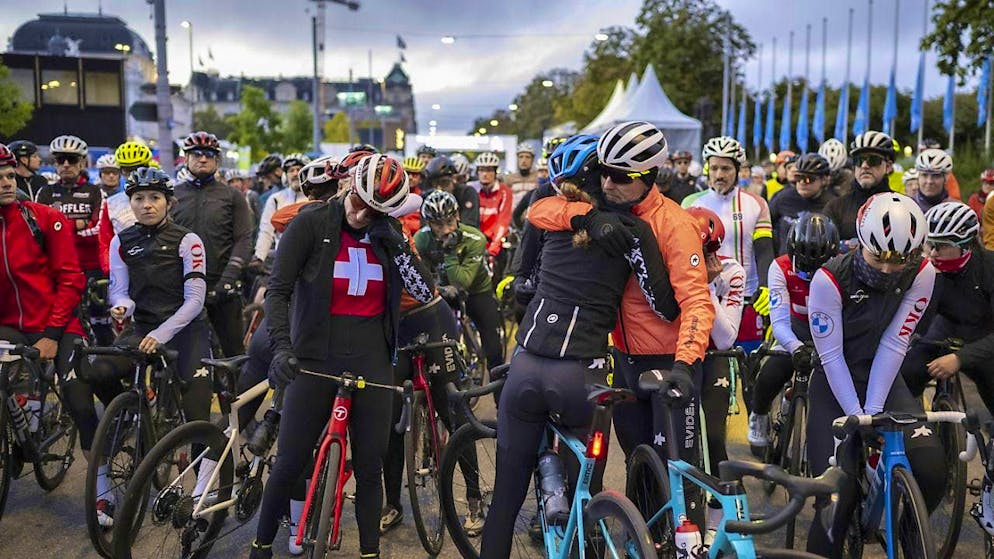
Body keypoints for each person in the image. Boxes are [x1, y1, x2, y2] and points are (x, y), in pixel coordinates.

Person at [481, 125, 682, 559]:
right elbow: (664, 305)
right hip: (583, 376)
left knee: (504, 500)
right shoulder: (632, 230)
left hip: (529, 363)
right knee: (583, 501)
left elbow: (526, 282)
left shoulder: (551, 216)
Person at [527, 122, 714, 525]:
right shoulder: (608, 207)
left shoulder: (675, 224)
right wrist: (584, 218)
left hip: (670, 360)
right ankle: (644, 542)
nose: (606, 183)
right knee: (638, 463)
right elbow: (540, 209)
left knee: (678, 472)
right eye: (603, 172)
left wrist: (685, 365)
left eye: (618, 176)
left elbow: (697, 302)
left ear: (648, 177)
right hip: (624, 360)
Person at [249, 154, 435, 559]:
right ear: (348, 186)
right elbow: (278, 290)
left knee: (370, 467)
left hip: (371, 355)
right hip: (315, 354)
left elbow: (424, 292)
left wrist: (399, 247)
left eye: (372, 210)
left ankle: (370, 551)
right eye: (356, 200)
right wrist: (282, 346)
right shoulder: (311, 222)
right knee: (290, 461)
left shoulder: (390, 233)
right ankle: (260, 547)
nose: (358, 212)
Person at [805, 193, 943, 558]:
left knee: (930, 467)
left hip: (885, 374)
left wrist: (875, 409)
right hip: (835, 381)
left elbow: (897, 342)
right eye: (878, 256)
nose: (886, 268)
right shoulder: (829, 278)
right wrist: (857, 415)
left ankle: (909, 537)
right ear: (862, 242)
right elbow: (831, 355)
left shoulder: (923, 272)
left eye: (898, 259)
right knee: (835, 497)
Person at [0, 143, 120, 517]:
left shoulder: (44, 217)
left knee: (79, 400)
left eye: (8, 176)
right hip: (9, 325)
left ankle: (104, 490)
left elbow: (70, 279)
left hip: (60, 321)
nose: (6, 183)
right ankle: (20, 429)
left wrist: (52, 334)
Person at [97, 167, 212, 526]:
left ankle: (201, 496)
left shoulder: (188, 240)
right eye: (138, 198)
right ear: (129, 202)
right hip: (143, 326)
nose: (146, 205)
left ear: (169, 202)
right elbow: (120, 288)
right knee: (96, 371)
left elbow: (194, 301)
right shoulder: (122, 239)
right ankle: (129, 422)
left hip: (186, 329)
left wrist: (162, 334)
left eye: (154, 198)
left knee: (198, 413)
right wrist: (122, 305)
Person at [748, 213, 839, 454]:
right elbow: (778, 321)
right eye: (804, 267)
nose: (809, 275)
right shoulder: (779, 267)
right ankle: (758, 414)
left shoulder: (844, 265)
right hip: (792, 330)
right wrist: (795, 346)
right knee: (769, 375)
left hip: (830, 336)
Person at [686, 205, 745, 544]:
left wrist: (705, 286)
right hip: (681, 353)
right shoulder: (670, 260)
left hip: (715, 355)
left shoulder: (732, 271)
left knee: (713, 436)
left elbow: (725, 337)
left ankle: (718, 516)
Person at [900, 202, 994, 414]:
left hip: (983, 342)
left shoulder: (989, 267)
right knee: (903, 376)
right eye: (929, 244)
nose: (932, 253)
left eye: (941, 246)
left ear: (965, 245)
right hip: (941, 334)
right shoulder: (923, 269)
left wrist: (961, 358)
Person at [683, 136, 774, 351]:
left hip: (746, 298)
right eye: (713, 168)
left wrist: (765, 286)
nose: (719, 175)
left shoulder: (756, 203)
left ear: (737, 169)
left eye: (725, 168)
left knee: (749, 369)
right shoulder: (691, 203)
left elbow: (764, 250)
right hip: (706, 296)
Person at [171, 131, 253, 357]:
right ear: (185, 159)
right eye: (196, 154)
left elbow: (243, 239)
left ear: (217, 160)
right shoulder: (172, 195)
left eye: (209, 154)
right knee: (182, 353)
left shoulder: (233, 195)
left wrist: (228, 278)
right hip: (182, 287)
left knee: (234, 353)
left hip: (222, 286)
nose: (203, 158)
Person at [415, 189, 504, 370]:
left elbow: (462, 282)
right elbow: (421, 276)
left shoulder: (475, 238)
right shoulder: (421, 239)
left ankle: (500, 395)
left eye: (449, 222)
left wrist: (449, 252)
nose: (446, 230)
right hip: (443, 290)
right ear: (429, 223)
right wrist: (438, 287)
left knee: (494, 350)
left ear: (458, 216)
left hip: (477, 291)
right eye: (438, 225)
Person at [823, 130, 897, 251]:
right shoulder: (835, 207)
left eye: (873, 160)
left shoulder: (903, 206)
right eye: (858, 160)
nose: (864, 166)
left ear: (888, 167)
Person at [97, 142, 154, 276]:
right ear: (121, 171)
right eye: (127, 170)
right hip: (124, 270)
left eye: (138, 169)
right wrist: (109, 270)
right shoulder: (111, 203)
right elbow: (104, 242)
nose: (132, 175)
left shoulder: (162, 199)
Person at [249, 153, 310, 272]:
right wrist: (259, 257)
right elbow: (266, 230)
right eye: (291, 170)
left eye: (298, 169)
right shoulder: (276, 199)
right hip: (282, 261)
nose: (295, 173)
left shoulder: (315, 198)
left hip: (310, 262)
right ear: (285, 176)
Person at [768, 153, 838, 254]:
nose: (802, 183)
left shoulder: (833, 204)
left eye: (808, 179)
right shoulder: (783, 198)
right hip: (784, 264)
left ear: (824, 180)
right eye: (798, 178)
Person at [471, 152, 513, 280]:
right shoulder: (473, 191)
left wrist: (493, 249)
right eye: (482, 170)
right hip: (477, 242)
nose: (485, 174)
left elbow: (503, 222)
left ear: (495, 172)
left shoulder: (504, 192)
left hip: (495, 244)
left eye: (489, 170)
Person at [422, 155, 480, 228]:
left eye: (444, 183)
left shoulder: (466, 193)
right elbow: (425, 228)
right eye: (435, 184)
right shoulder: (426, 198)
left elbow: (470, 225)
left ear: (453, 180)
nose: (439, 188)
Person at [913, 148, 953, 213]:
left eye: (936, 176)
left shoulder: (955, 209)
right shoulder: (905, 206)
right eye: (924, 175)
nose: (929, 181)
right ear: (918, 176)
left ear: (946, 178)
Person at [503, 144, 538, 208]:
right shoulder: (509, 179)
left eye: (527, 157)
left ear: (532, 159)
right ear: (517, 159)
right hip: (514, 216)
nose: (524, 160)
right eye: (521, 157)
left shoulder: (538, 178)